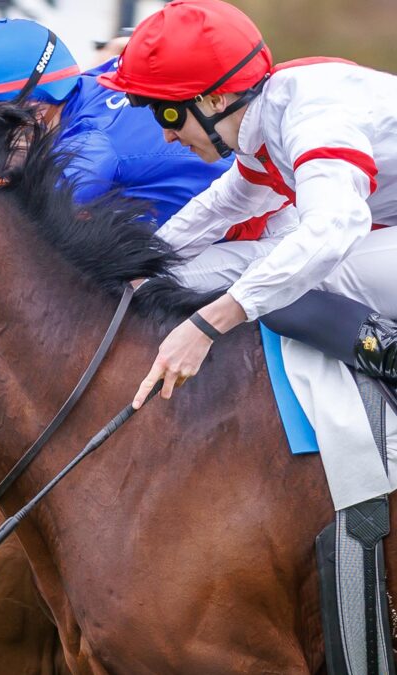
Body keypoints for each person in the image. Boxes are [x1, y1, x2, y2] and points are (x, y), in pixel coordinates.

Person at [98, 2, 397, 671]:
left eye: (165, 113)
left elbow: (333, 228)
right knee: (235, 265)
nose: (166, 135)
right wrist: (134, 270)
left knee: (300, 268)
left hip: (364, 234)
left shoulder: (312, 114)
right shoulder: (264, 114)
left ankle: (384, 355)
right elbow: (227, 203)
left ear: (213, 99)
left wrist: (209, 324)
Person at [0, 18, 270, 233]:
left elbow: (5, 231)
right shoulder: (94, 80)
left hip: (262, 231)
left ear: (36, 111)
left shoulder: (90, 150)